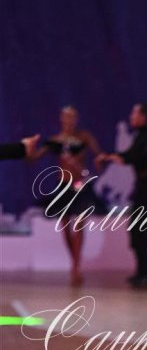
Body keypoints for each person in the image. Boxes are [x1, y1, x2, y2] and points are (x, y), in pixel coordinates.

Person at [97, 103, 147, 288]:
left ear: (144, 117)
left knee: (141, 230)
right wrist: (113, 157)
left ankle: (145, 272)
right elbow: (129, 155)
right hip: (142, 187)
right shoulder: (140, 137)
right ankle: (143, 270)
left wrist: (121, 158)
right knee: (136, 230)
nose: (132, 117)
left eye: (135, 113)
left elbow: (139, 158)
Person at [35, 106, 101, 285]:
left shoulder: (84, 137)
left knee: (79, 225)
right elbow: (35, 157)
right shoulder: (55, 140)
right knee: (65, 226)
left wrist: (99, 161)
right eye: (66, 117)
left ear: (77, 119)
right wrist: (28, 150)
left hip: (79, 185)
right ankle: (75, 261)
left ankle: (76, 266)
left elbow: (98, 154)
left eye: (72, 117)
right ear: (61, 119)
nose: (69, 120)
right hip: (63, 185)